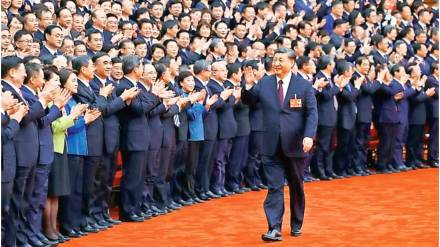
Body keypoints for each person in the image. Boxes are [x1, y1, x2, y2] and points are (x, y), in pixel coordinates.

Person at [242, 48, 318, 241]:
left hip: (295, 145)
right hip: (270, 144)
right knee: (274, 187)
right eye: (274, 60)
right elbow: (249, 101)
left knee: (296, 185)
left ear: (292, 63)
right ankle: (274, 228)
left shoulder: (303, 85)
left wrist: (309, 136)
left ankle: (296, 223)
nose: (276, 63)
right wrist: (249, 86)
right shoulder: (265, 83)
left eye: (281, 60)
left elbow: (312, 113)